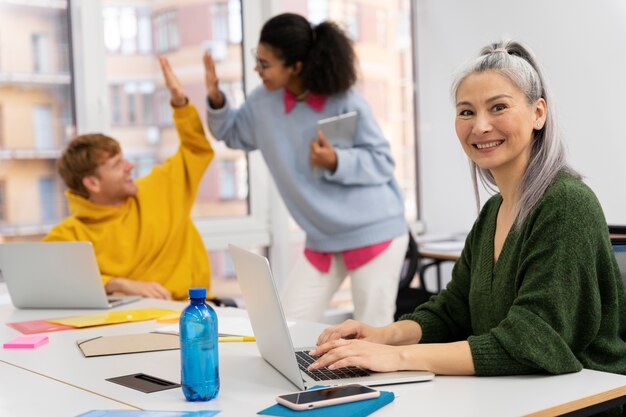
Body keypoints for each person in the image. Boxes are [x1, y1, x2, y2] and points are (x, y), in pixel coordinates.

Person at [308, 40, 626, 398]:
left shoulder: (567, 205)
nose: (480, 126)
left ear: (539, 113)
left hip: (582, 399)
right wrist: (381, 335)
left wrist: (396, 356)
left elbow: (531, 339)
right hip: (514, 394)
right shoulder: (494, 211)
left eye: (498, 107)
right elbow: (452, 311)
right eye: (466, 112)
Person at [204, 13, 408, 326]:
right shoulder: (262, 103)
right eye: (256, 60)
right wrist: (217, 99)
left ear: (296, 66)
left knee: (373, 334)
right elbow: (233, 134)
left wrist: (336, 161)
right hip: (323, 238)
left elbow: (382, 162)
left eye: (265, 64)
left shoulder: (344, 99)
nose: (257, 70)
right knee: (281, 327)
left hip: (374, 232)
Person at [44, 57, 214, 301]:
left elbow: (196, 150)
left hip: (187, 312)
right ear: (92, 183)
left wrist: (180, 104)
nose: (130, 166)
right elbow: (48, 278)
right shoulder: (70, 235)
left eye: (124, 158)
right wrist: (116, 283)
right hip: (125, 322)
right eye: (117, 164)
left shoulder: (159, 188)